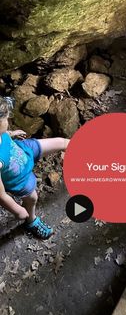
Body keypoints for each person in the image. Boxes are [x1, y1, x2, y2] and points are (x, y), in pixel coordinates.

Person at [0, 96, 70, 239]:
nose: (8, 121)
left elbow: (4, 133)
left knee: (62, 142)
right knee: (32, 198)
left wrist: (11, 134)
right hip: (18, 178)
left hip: (23, 150)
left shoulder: (1, 132)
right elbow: (1, 195)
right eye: (6, 119)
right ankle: (31, 220)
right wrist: (17, 210)